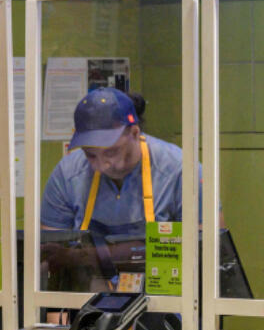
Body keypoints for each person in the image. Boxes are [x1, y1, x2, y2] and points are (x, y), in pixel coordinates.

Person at [41, 87, 189, 234]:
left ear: (135, 133)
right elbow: (52, 248)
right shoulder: (67, 174)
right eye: (90, 155)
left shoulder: (180, 171)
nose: (101, 166)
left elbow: (202, 247)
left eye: (111, 152)